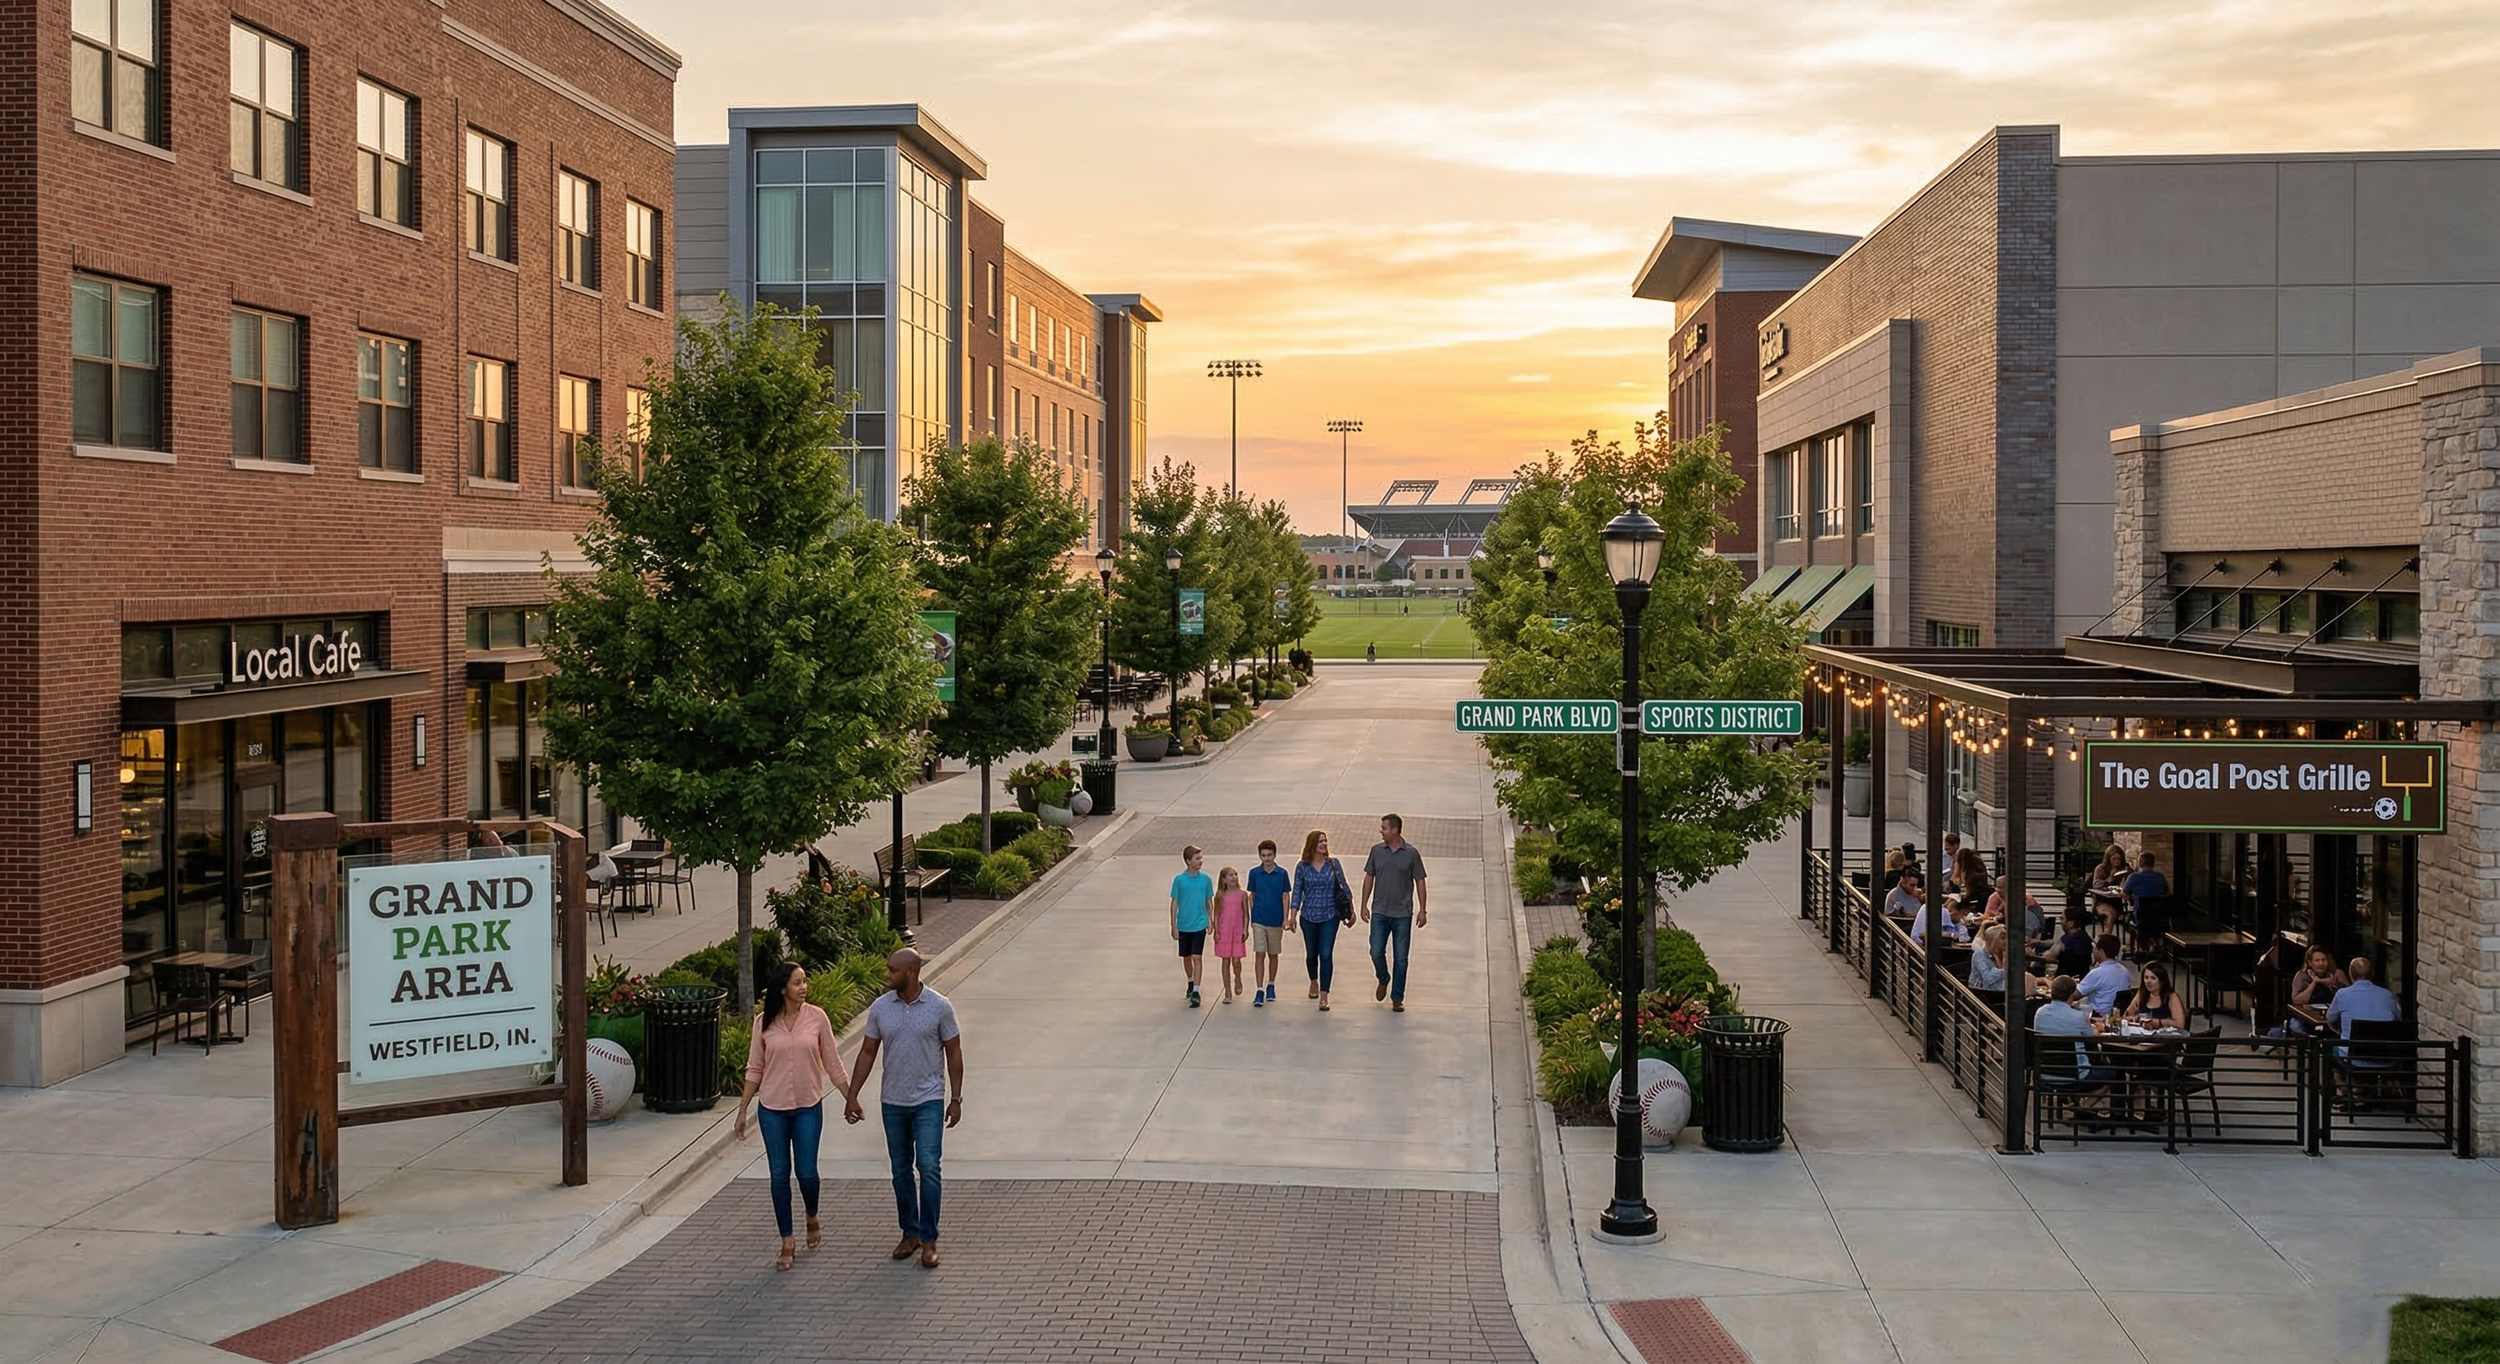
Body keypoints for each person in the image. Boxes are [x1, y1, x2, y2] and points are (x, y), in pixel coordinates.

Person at [843, 948, 962, 1270]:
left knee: (929, 1166)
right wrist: (852, 1094)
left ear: (910, 973)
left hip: (928, 1100)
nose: (887, 975)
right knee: (900, 1170)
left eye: (892, 970)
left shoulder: (939, 1007)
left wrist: (956, 1098)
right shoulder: (881, 1008)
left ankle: (929, 1239)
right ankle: (909, 1233)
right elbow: (867, 1052)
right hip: (893, 1101)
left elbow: (953, 1052)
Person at [736, 961, 849, 1272]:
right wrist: (743, 1110)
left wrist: (849, 1098)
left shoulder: (817, 1018)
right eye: (798, 983)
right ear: (783, 988)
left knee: (807, 1172)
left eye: (805, 982)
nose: (804, 987)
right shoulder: (763, 1023)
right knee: (778, 1174)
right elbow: (754, 1068)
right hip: (772, 1108)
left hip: (807, 1106)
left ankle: (811, 1215)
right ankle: (787, 1240)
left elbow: (833, 1062)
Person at [1360, 813, 1429, 1012]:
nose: (1381, 831)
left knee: (1401, 958)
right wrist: (1364, 904)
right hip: (1380, 911)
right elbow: (1368, 877)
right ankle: (1383, 977)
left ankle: (1397, 997)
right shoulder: (1376, 851)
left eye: (1384, 828)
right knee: (1375, 951)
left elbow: (1420, 881)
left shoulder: (1411, 853)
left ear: (1395, 830)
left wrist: (1422, 910)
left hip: (1402, 914)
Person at [1290, 829, 1350, 1010]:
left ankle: (1324, 995)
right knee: (1311, 954)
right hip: (1308, 916)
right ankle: (1313, 980)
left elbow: (1344, 887)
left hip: (1330, 916)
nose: (1324, 844)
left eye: (1325, 841)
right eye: (1320, 841)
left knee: (1326, 954)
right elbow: (1297, 892)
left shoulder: (1333, 864)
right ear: (1312, 845)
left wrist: (1351, 911)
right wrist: (1292, 915)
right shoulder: (1302, 866)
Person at [2033, 975, 2119, 1091]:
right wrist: (2096, 1027)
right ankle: (2085, 1106)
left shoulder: (2040, 1012)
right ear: (2072, 994)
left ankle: (2077, 1103)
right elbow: (2092, 1037)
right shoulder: (2078, 1017)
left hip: (2044, 1073)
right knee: (2115, 1073)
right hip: (2075, 1075)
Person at [1246, 840, 1292, 1007]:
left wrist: (1285, 918)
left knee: (1273, 954)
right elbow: (1252, 895)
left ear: (1275, 855)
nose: (1266, 858)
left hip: (1276, 919)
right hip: (1259, 919)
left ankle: (1271, 983)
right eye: (1263, 855)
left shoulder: (1282, 873)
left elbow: (1285, 896)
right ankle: (1259, 989)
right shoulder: (1254, 873)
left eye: (1269, 855)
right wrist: (1253, 916)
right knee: (1259, 953)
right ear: (1259, 856)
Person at [1169, 845, 1214, 1007]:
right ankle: (1190, 980)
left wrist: (1211, 920)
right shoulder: (1179, 880)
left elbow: (1209, 901)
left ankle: (1196, 990)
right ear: (1188, 861)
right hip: (1184, 924)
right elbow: (1174, 902)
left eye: (1201, 858)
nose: (1200, 861)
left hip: (1199, 924)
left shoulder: (1206, 880)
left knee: (1197, 957)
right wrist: (1173, 925)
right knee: (1186, 957)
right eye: (1197, 858)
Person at [2324, 957, 2401, 1038]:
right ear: (2372, 974)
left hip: (2350, 1048)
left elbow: (2330, 1019)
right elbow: (2398, 1019)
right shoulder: (2388, 995)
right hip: (2381, 1049)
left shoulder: (2342, 994)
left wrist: (2342, 1033)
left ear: (2351, 974)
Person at [1211, 866, 1250, 1004]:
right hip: (1224, 931)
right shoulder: (1220, 895)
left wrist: (1245, 929)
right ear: (1224, 879)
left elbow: (1246, 913)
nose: (1234, 877)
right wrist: (1216, 930)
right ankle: (1227, 991)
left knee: (1236, 961)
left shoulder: (1242, 894)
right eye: (1230, 875)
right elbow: (1216, 914)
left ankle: (1237, 977)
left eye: (1235, 874)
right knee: (1225, 961)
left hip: (1237, 930)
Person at [2122, 851, 2170, 951]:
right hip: (2159, 916)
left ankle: (2140, 946)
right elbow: (2165, 892)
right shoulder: (2159, 877)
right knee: (2152, 919)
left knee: (2128, 918)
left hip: (2141, 916)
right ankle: (2155, 943)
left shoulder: (2134, 877)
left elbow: (2125, 893)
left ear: (2141, 862)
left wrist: (2131, 898)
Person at [2125, 960, 2189, 1031]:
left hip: (2165, 1038)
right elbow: (2126, 1015)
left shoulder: (2171, 997)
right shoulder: (2141, 994)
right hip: (2143, 1036)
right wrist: (2133, 1018)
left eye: (2153, 978)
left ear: (2161, 981)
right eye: (2146, 978)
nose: (2148, 981)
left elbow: (2180, 1024)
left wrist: (2158, 1023)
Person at [2078, 934, 2132, 1015]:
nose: (2092, 951)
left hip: (2097, 1016)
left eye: (2094, 948)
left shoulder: (2097, 973)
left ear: (2101, 952)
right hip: (2116, 1015)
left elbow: (2076, 994)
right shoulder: (2126, 972)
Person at [2054, 907, 2095, 978]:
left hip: (2064, 978)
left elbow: (2049, 957)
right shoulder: (2086, 937)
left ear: (2070, 923)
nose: (2061, 921)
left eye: (2062, 919)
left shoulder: (2065, 940)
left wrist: (2032, 956)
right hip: (2083, 977)